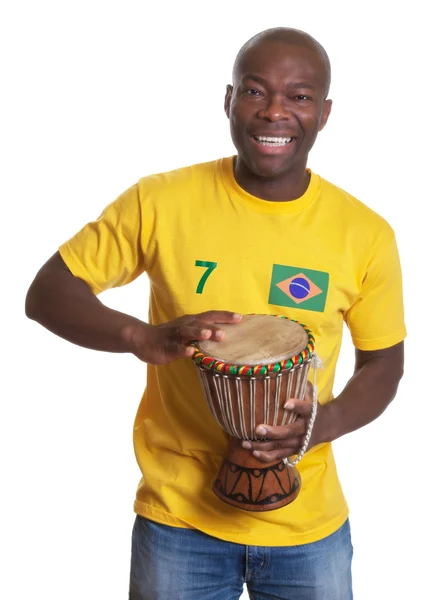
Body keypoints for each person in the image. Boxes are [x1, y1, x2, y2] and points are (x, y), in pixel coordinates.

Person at [25, 26, 406, 600]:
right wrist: (140, 335)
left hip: (308, 527)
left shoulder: (365, 233)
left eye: (298, 96)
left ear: (325, 113)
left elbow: (384, 365)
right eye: (254, 91)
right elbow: (47, 290)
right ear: (228, 101)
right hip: (178, 519)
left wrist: (320, 426)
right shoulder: (160, 200)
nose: (274, 111)